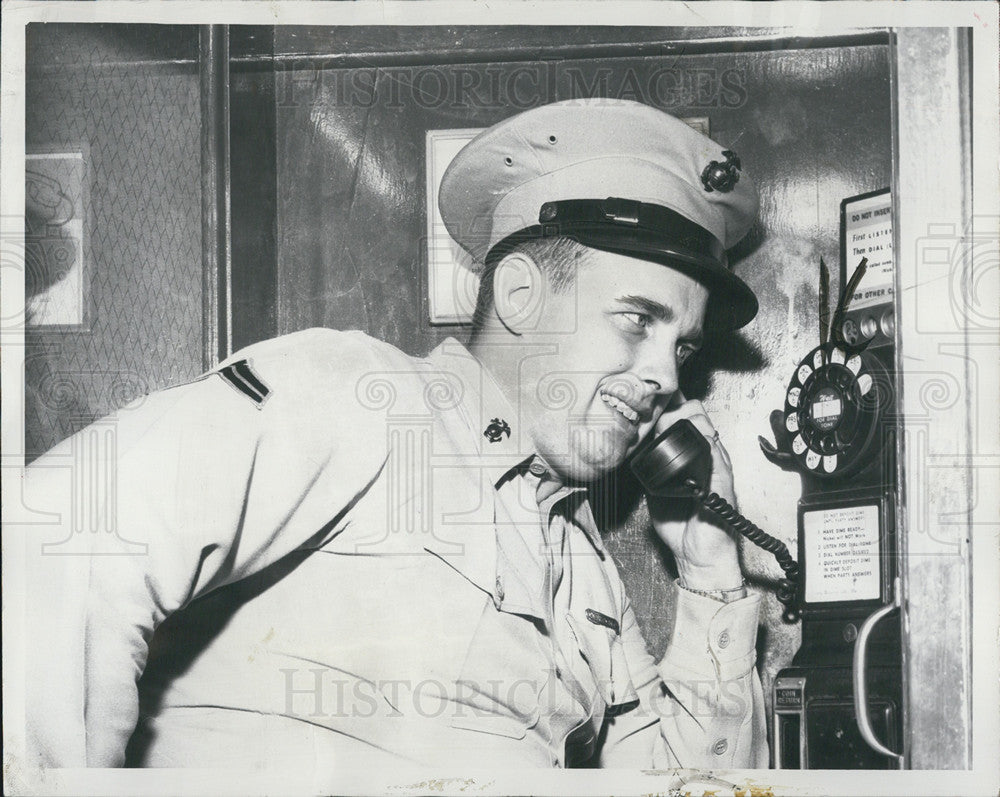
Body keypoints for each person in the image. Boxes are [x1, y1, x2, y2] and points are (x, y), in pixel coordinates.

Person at [19, 98, 767, 772]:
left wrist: (711, 567)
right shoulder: (360, 399)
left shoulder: (580, 561)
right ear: (520, 295)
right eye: (639, 320)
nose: (668, 378)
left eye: (684, 348)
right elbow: (55, 532)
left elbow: (692, 787)